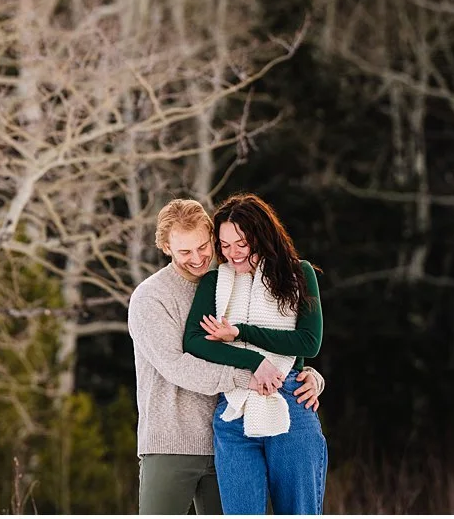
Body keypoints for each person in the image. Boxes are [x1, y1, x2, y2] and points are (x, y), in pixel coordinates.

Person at [129, 199, 325, 514]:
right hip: (182, 438)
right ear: (166, 248)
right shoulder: (162, 295)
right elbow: (179, 363)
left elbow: (300, 339)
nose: (197, 258)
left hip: (234, 425)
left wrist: (307, 375)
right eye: (184, 252)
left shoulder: (250, 278)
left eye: (204, 247)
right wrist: (252, 371)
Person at [184, 193, 328, 514]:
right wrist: (254, 362)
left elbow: (308, 342)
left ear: (262, 237)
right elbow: (194, 340)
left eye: (241, 243)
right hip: (234, 410)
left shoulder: (298, 274)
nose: (232, 254)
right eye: (224, 245)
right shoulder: (214, 282)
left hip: (290, 401)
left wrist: (241, 333)